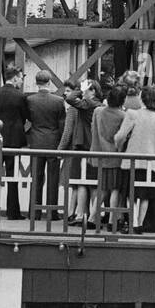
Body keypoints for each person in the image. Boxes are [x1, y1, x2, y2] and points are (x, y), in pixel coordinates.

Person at [114, 86, 155, 233]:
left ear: (141, 98)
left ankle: (133, 223)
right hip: (152, 162)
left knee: (131, 194)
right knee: (145, 195)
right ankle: (139, 223)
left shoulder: (132, 114)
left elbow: (120, 136)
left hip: (133, 160)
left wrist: (118, 147)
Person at [0, 65, 29, 219]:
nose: (22, 82)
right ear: (16, 77)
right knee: (12, 177)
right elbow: (24, 117)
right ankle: (13, 212)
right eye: (21, 79)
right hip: (13, 140)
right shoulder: (21, 97)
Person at [25, 73, 68, 218]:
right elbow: (62, 124)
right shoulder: (58, 100)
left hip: (36, 142)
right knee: (53, 178)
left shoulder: (30, 100)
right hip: (53, 142)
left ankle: (34, 212)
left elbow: (29, 118)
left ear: (36, 82)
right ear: (49, 82)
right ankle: (52, 212)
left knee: (36, 178)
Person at [59, 78, 100, 226]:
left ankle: (80, 215)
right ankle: (93, 216)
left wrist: (80, 90)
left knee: (82, 183)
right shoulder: (99, 105)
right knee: (93, 184)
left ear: (93, 91)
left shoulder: (87, 104)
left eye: (87, 89)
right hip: (94, 147)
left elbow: (70, 99)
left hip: (83, 146)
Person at [90, 84, 129, 231]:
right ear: (122, 101)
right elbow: (122, 137)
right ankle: (113, 220)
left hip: (99, 154)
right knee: (115, 189)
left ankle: (92, 217)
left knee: (102, 188)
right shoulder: (123, 116)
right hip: (116, 156)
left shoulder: (98, 111)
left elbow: (93, 129)